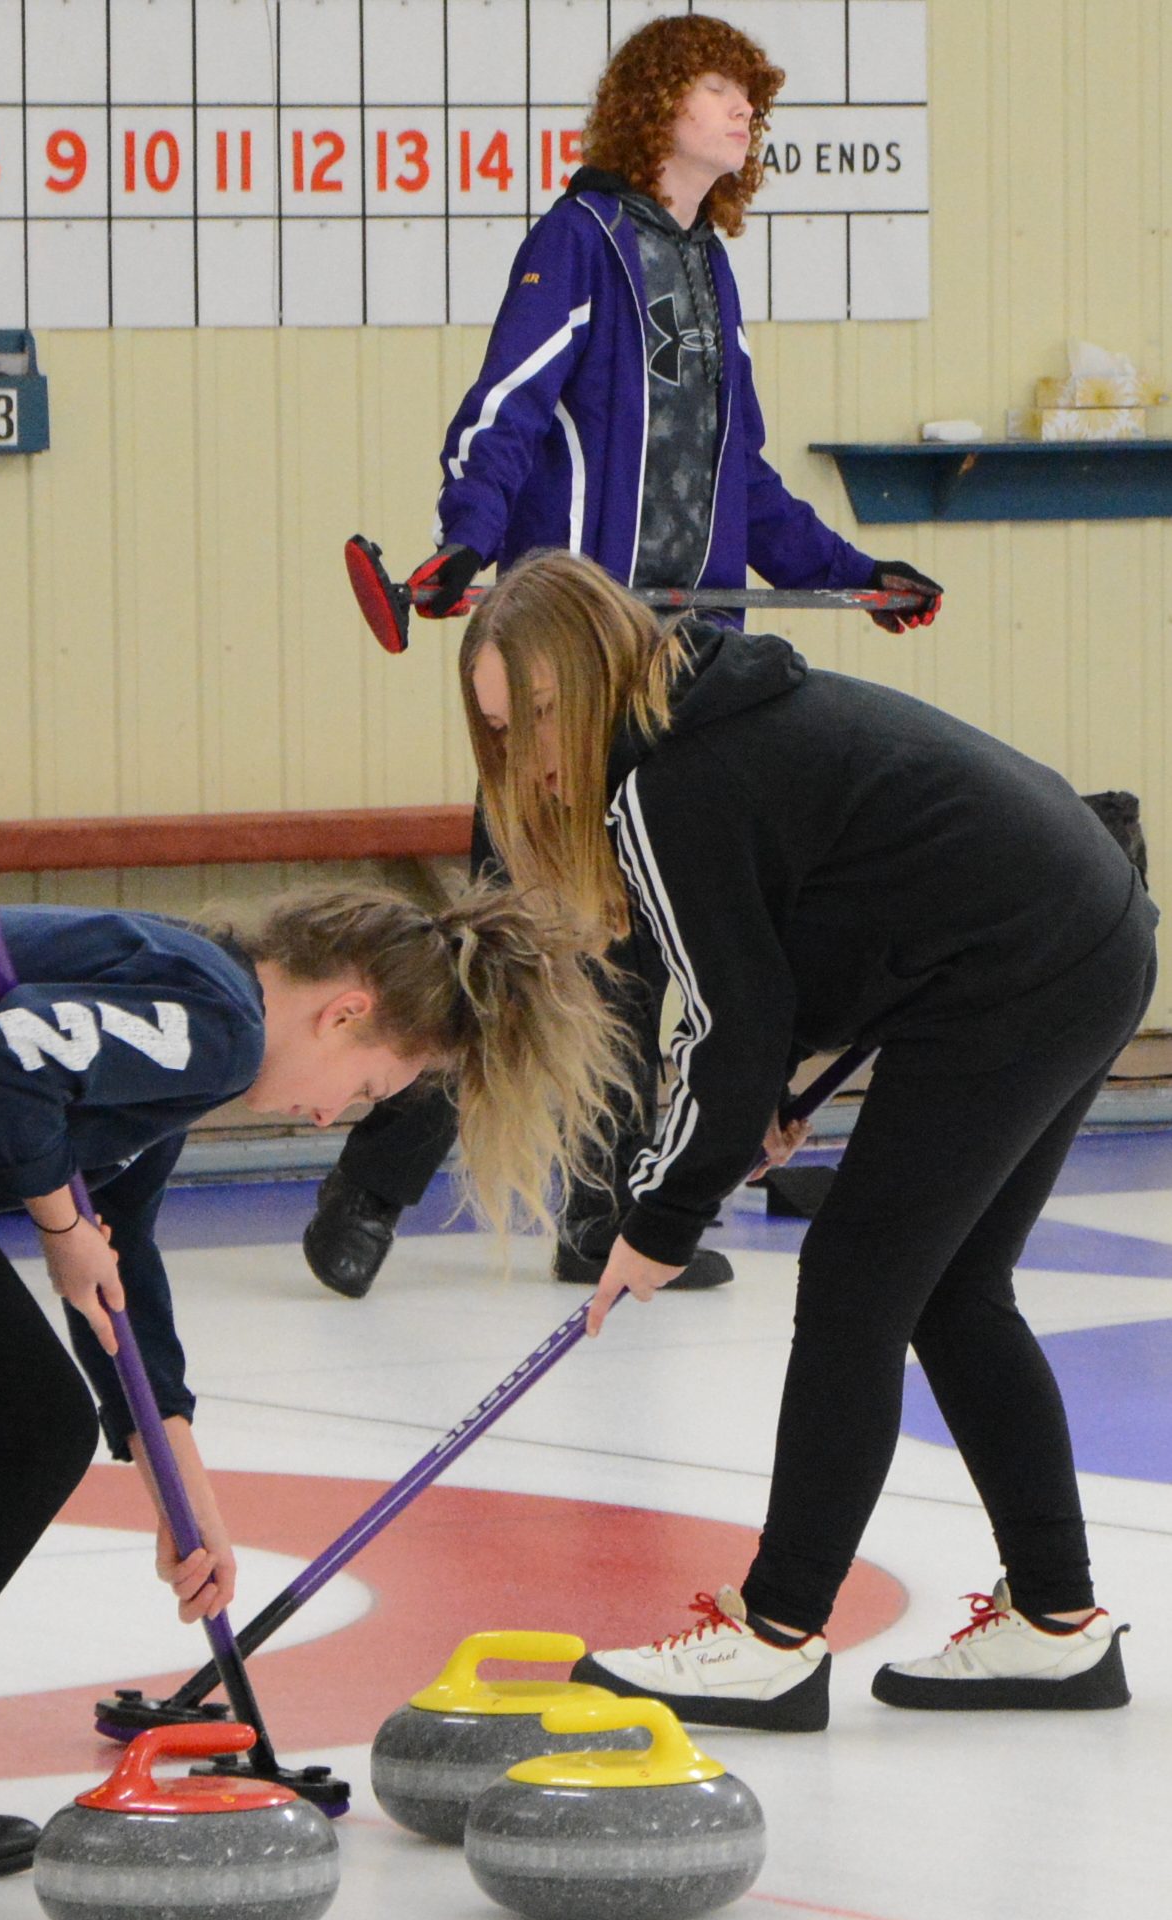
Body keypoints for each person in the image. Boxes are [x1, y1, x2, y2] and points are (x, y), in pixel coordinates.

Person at [0, 884, 628, 1873]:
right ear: (345, 1011)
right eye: (362, 1089)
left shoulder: (179, 1024)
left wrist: (183, 1496)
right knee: (28, 1431)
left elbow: (121, 1270)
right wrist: (55, 1223)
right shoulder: (216, 1019)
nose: (328, 1120)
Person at [306, 12, 941, 1303]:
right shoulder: (577, 242)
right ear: (657, 104)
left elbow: (744, 486)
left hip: (684, 677)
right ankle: (369, 1189)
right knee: (508, 944)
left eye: (750, 97)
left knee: (653, 938)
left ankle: (599, 1219)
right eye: (720, 87)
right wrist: (460, 544)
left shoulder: (709, 272)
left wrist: (850, 574)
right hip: (565, 669)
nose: (743, 111)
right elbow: (501, 413)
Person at [461, 549, 1151, 1727]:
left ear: (596, 671)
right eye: (501, 730)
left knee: (855, 1285)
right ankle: (1055, 1621)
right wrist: (779, 1097)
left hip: (1024, 965)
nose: (530, 753)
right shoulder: (710, 722)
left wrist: (658, 1217)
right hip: (1080, 933)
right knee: (956, 1288)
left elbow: (728, 1022)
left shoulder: (669, 782)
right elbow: (828, 931)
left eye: (540, 712)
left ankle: (775, 1634)